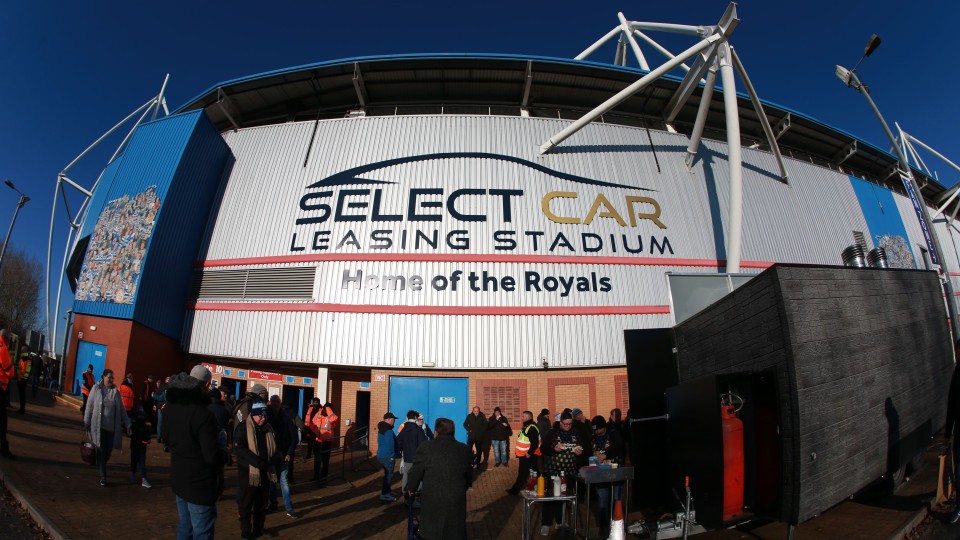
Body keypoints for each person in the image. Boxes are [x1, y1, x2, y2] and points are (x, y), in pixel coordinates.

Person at [163, 366, 228, 540]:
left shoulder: (171, 405)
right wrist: (225, 454)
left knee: (185, 526)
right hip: (199, 485)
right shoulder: (203, 414)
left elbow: (166, 439)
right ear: (206, 385)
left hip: (179, 478)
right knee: (202, 532)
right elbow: (211, 455)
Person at [406, 418, 472, 540]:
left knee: (432, 532)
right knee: (454, 532)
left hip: (432, 499)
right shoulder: (464, 449)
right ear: (453, 432)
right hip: (456, 500)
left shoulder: (426, 448)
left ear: (436, 432)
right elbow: (468, 477)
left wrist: (411, 488)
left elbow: (415, 473)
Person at [234, 400, 282, 539]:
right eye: (260, 416)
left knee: (261, 503)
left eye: (265, 416)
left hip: (266, 472)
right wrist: (257, 462)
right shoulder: (244, 428)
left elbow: (277, 447)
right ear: (253, 415)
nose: (263, 418)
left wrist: (274, 459)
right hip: (248, 472)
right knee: (246, 503)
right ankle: (246, 530)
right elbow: (240, 449)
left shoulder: (268, 428)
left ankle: (259, 528)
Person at [83, 368, 132, 485]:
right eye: (109, 377)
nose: (111, 380)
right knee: (101, 450)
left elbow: (122, 411)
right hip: (99, 427)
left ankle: (100, 465)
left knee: (108, 452)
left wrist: (128, 424)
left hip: (111, 429)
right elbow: (89, 406)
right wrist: (86, 422)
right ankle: (103, 476)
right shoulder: (96, 389)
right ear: (103, 377)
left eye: (112, 378)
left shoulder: (115, 392)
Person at [539, 410, 583, 535]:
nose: (567, 427)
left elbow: (580, 447)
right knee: (551, 497)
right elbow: (543, 448)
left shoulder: (575, 433)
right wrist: (554, 449)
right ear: (560, 422)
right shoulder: (552, 432)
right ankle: (546, 523)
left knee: (564, 496)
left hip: (569, 471)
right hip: (553, 470)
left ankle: (560, 521)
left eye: (570, 424)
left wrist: (579, 452)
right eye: (565, 424)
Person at [590, 415, 624, 537]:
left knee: (616, 499)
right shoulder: (594, 437)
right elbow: (591, 449)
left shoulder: (613, 433)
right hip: (601, 473)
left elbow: (618, 446)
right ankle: (604, 528)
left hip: (615, 470)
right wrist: (594, 454)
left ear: (603, 427)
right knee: (603, 500)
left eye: (598, 429)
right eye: (595, 430)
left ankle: (617, 525)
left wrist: (605, 454)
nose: (596, 432)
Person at [267, 395, 300, 518]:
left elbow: (294, 438)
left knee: (284, 481)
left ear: (280, 403)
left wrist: (289, 453)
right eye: (273, 401)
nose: (275, 404)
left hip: (283, 455)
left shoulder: (286, 418)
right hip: (270, 455)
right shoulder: (266, 417)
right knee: (271, 481)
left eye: (278, 402)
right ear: (270, 402)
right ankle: (273, 504)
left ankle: (289, 507)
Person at [507, 410, 540, 495]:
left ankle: (515, 490)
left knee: (523, 473)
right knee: (533, 471)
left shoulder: (531, 427)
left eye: (523, 417)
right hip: (525, 455)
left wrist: (529, 453)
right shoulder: (527, 426)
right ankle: (541, 486)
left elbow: (535, 442)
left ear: (528, 417)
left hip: (528, 455)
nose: (522, 418)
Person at [397, 410, 427, 494]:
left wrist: (401, 451)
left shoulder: (404, 429)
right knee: (419, 475)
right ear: (415, 418)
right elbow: (423, 445)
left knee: (406, 475)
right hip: (418, 458)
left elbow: (398, 442)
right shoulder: (418, 430)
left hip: (406, 456)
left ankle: (404, 491)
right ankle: (416, 492)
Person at [312, 402, 339, 483]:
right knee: (317, 461)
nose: (324, 410)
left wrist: (328, 408)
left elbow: (334, 419)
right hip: (317, 441)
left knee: (325, 461)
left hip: (326, 442)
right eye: (324, 408)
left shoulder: (331, 417)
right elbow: (313, 422)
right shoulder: (318, 414)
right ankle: (316, 476)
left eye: (327, 409)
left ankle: (324, 478)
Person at [376, 412, 400, 502]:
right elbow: (390, 444)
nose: (394, 422)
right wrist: (392, 456)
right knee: (388, 475)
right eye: (393, 420)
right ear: (389, 420)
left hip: (382, 454)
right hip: (387, 456)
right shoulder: (388, 430)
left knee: (388, 474)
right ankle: (385, 494)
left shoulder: (383, 428)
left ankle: (388, 491)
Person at [0, 330, 15, 459]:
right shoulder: (3, 349)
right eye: (9, 339)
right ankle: (3, 449)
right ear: (4, 338)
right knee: (2, 422)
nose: (9, 342)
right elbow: (10, 371)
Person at [129, 406, 152, 488]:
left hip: (136, 441)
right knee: (141, 460)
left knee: (135, 458)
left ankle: (134, 474)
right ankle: (142, 477)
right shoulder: (144, 418)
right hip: (141, 442)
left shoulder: (134, 416)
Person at [304, 397, 322, 462]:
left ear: (318, 403)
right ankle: (309, 454)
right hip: (309, 427)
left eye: (317, 402)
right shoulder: (310, 408)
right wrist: (306, 426)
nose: (315, 403)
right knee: (309, 442)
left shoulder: (321, 409)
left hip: (316, 428)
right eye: (314, 402)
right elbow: (307, 416)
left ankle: (315, 454)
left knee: (316, 442)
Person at [15, 345, 30, 414]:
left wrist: (20, 377)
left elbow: (23, 370)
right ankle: (22, 408)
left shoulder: (23, 359)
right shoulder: (25, 359)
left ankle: (22, 409)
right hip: (22, 379)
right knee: (22, 395)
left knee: (22, 395)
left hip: (22, 380)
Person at [155, 377, 169, 450]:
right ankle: (165, 441)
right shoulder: (171, 388)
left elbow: (157, 397)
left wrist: (155, 404)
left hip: (160, 407)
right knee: (165, 424)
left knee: (159, 423)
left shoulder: (161, 386)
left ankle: (158, 437)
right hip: (167, 408)